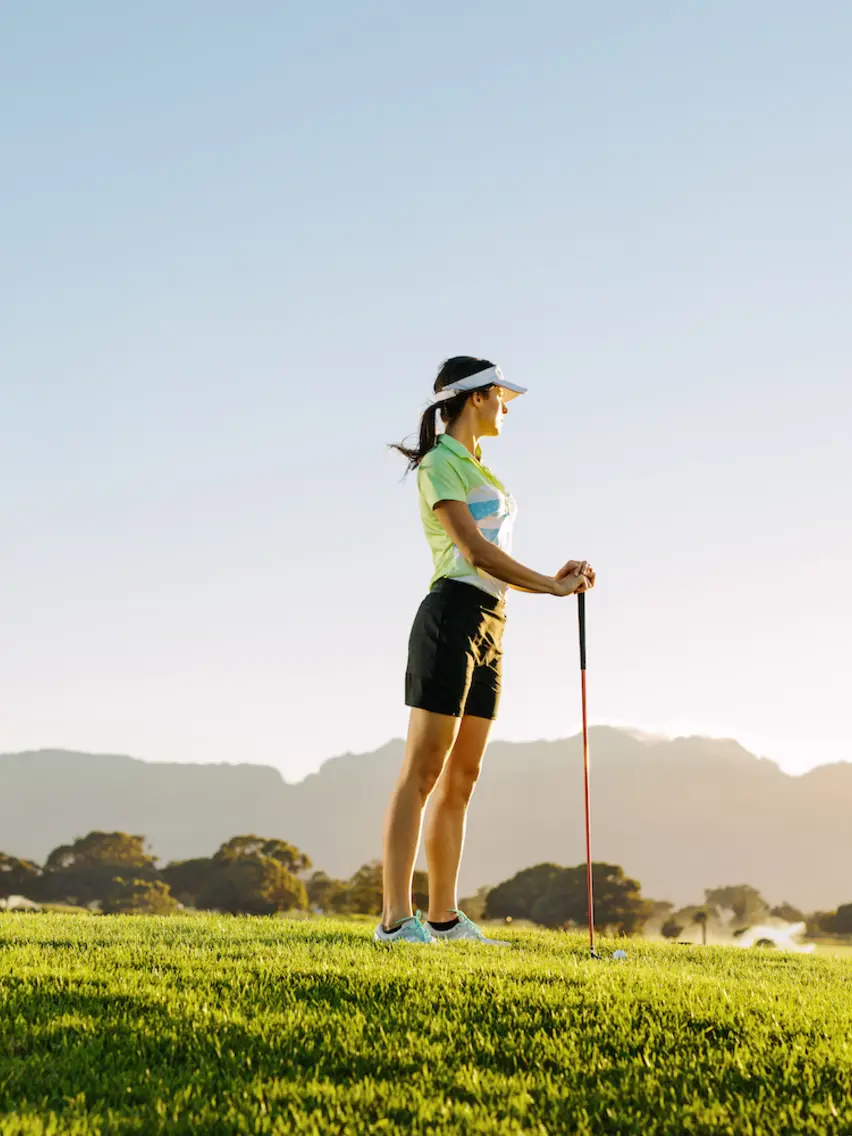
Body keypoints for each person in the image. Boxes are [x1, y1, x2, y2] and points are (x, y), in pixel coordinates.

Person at [374, 356, 595, 946]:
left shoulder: (479, 468)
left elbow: (495, 559)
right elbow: (473, 552)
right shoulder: (440, 465)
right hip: (450, 614)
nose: (506, 409)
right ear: (478, 397)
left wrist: (551, 578)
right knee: (423, 769)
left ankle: (444, 918)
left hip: (491, 624)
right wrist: (549, 584)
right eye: (502, 398)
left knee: (464, 774)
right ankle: (397, 920)